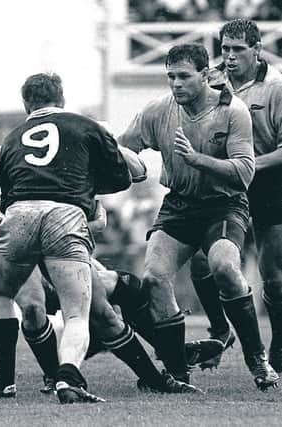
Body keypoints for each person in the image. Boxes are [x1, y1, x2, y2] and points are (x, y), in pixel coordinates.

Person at [0, 147, 213, 395]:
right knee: (33, 307)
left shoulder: (56, 172)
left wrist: (109, 145)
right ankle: (51, 378)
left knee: (106, 306)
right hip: (17, 252)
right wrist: (32, 232)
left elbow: (121, 192)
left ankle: (155, 376)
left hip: (58, 243)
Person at [119, 42, 279, 390]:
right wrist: (119, 164)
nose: (176, 84)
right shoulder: (157, 111)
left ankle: (258, 360)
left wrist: (197, 160)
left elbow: (244, 172)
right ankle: (178, 373)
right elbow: (122, 147)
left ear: (206, 75)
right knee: (154, 277)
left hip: (224, 204)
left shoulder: (232, 110)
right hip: (179, 204)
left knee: (223, 267)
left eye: (184, 76)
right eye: (170, 77)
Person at [0, 72, 133, 404]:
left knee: (2, 296)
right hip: (64, 215)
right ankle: (68, 377)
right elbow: (123, 177)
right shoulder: (84, 125)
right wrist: (83, 187)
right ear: (61, 99)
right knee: (76, 312)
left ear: (26, 103)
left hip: (18, 216)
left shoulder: (11, 139)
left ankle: (5, 381)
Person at [189, 19, 282, 374]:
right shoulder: (212, 79)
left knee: (273, 274)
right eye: (224, 48)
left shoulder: (275, 88)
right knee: (203, 261)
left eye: (237, 50)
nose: (228, 57)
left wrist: (246, 165)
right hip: (224, 185)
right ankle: (219, 329)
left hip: (269, 182)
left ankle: (278, 344)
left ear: (258, 50)